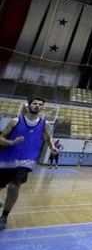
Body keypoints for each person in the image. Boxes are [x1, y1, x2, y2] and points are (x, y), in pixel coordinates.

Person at [0, 97, 58, 230]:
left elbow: (48, 138)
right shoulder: (16, 121)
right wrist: (11, 142)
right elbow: (1, 138)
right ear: (28, 106)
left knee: (14, 187)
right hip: (6, 159)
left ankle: (4, 216)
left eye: (40, 104)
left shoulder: (44, 124)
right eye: (35, 104)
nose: (37, 106)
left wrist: (52, 147)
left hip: (26, 160)